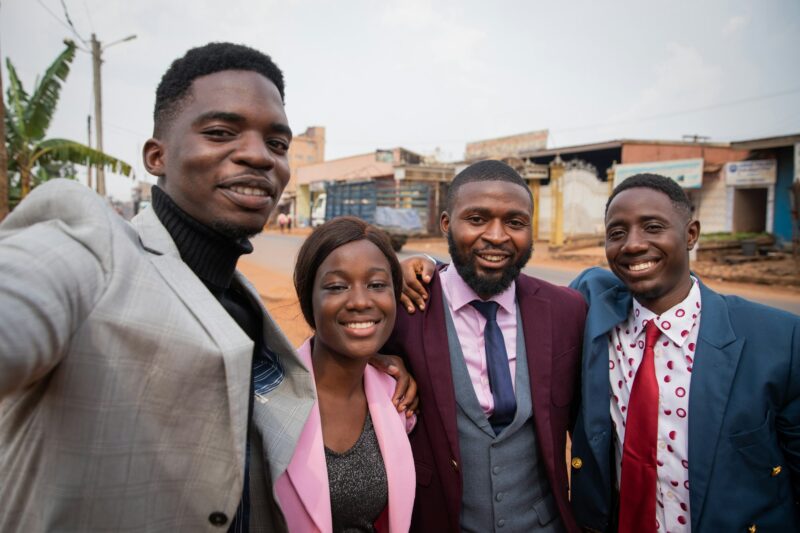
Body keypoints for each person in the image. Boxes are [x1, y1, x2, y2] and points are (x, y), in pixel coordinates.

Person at [0, 42, 414, 531]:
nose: (259, 156)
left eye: (277, 144)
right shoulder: (93, 246)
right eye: (221, 133)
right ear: (157, 155)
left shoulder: (244, 306)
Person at [567, 173, 800, 532]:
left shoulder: (777, 339)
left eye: (653, 227)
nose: (632, 244)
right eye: (617, 233)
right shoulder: (594, 313)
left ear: (690, 234)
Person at [384, 160, 587, 532]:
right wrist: (384, 363)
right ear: (446, 223)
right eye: (476, 219)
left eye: (515, 222)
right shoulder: (405, 307)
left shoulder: (567, 311)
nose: (496, 236)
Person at [275, 216, 415, 532]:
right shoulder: (265, 398)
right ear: (307, 297)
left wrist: (430, 261)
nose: (361, 301)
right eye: (337, 286)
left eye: (377, 285)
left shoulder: (396, 397)